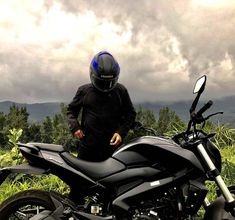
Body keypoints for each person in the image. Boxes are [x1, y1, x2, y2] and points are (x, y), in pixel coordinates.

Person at [67, 51, 136, 162]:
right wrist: (75, 127)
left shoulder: (121, 91)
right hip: (88, 146)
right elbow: (71, 111)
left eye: (110, 82)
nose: (105, 86)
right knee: (81, 176)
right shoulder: (84, 91)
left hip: (113, 146)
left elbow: (130, 114)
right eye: (102, 82)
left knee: (115, 177)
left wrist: (121, 133)